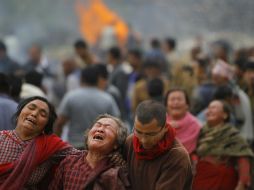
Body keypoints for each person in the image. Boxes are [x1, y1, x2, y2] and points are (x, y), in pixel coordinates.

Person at [0, 96, 74, 189]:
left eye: (42, 114)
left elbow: (82, 158)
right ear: (19, 112)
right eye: (31, 108)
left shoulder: (51, 146)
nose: (34, 114)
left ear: (46, 125)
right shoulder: (1, 138)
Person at [124, 100, 193, 190]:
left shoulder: (176, 155)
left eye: (151, 134)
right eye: (139, 132)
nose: (144, 140)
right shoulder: (130, 142)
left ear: (165, 128)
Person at [49, 114, 130, 189]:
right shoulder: (69, 162)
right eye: (98, 125)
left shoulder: (117, 172)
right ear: (88, 136)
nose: (100, 129)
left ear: (116, 143)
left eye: (108, 127)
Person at [193, 100, 254, 190]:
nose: (209, 111)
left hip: (223, 181)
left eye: (214, 108)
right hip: (201, 179)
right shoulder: (200, 132)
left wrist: (242, 183)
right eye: (208, 108)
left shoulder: (233, 135)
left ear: (225, 115)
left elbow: (243, 158)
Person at [54, 65, 120, 148]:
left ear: (81, 79)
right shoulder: (107, 99)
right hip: (99, 147)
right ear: (97, 80)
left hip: (74, 146)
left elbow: (59, 123)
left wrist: (57, 145)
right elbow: (117, 125)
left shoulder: (71, 97)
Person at [165, 88, 201, 156]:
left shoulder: (195, 124)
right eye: (172, 99)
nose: (176, 102)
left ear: (187, 105)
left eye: (179, 99)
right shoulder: (159, 123)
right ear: (166, 105)